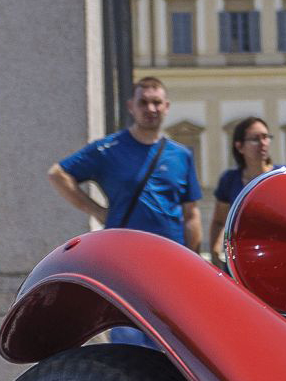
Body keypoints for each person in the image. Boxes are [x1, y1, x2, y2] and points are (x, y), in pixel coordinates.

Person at [49, 77, 205, 252]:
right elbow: (57, 174)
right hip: (123, 252)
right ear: (131, 107)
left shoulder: (181, 155)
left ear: (166, 107)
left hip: (171, 252)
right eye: (143, 103)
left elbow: (191, 214)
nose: (151, 109)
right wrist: (97, 211)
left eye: (157, 102)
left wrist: (194, 256)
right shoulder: (108, 149)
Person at [212, 116, 274, 256]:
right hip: (240, 257)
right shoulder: (229, 180)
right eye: (255, 139)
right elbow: (219, 221)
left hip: (273, 253)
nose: (262, 143)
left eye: (266, 137)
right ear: (239, 146)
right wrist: (215, 251)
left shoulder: (281, 176)